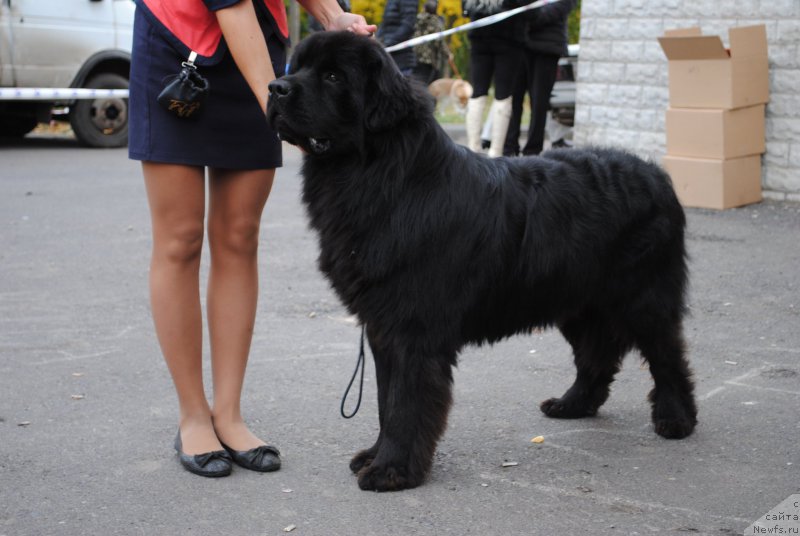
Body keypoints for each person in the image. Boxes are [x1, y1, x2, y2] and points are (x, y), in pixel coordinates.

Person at [128, 0, 375, 478]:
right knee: (180, 239)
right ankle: (194, 415)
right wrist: (282, 105)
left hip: (257, 43)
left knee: (239, 235)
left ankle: (230, 413)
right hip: (178, 48)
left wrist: (333, 16)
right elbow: (231, 6)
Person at [504, 0, 576, 156]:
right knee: (513, 100)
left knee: (539, 103)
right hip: (519, 46)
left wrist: (524, 9)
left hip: (547, 49)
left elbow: (547, 14)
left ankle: (532, 151)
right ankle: (509, 149)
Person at [463, 0, 528, 158]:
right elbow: (530, 11)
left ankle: (473, 149)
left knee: (478, 93)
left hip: (479, 36)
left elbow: (464, 8)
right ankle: (496, 153)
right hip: (509, 38)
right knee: (503, 95)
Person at [411, 0, 450, 85]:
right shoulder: (436, 22)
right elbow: (439, 41)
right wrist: (448, 54)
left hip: (416, 55)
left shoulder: (417, 19)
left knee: (416, 79)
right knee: (426, 82)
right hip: (429, 58)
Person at [376, 0, 419, 76]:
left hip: (402, 56)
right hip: (388, 54)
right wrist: (377, 41)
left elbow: (408, 25)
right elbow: (384, 23)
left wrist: (388, 42)